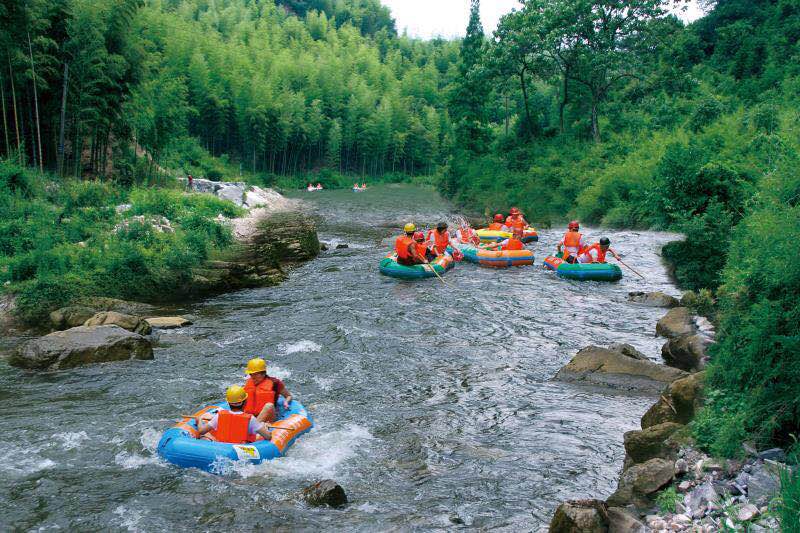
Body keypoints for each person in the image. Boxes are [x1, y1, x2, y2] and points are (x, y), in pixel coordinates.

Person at [196, 385, 273, 444]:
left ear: (228, 403)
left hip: (221, 447)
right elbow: (268, 437)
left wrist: (199, 420)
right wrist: (265, 427)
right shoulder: (251, 419)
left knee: (205, 436)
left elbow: (201, 431)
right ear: (245, 402)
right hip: (242, 449)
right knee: (262, 428)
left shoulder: (219, 416)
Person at [243, 358, 292, 423]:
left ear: (263, 373)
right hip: (251, 416)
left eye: (255, 374)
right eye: (251, 374)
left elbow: (288, 396)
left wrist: (286, 402)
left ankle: (253, 427)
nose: (252, 377)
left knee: (268, 406)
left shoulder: (275, 383)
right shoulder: (249, 382)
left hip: (268, 417)